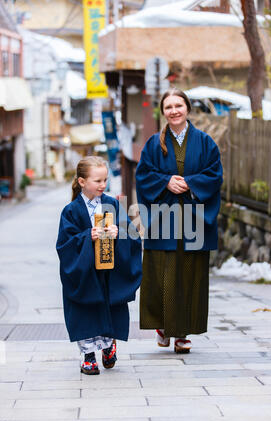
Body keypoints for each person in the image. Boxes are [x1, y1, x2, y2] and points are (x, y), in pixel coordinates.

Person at [135, 88, 223, 354]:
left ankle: (182, 333)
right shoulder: (153, 144)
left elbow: (215, 175)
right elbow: (143, 176)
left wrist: (190, 183)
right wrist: (166, 181)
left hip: (194, 217)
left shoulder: (205, 142)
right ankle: (163, 326)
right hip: (164, 217)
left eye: (178, 105)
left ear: (187, 108)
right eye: (168, 107)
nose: (174, 111)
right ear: (163, 112)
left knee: (189, 273)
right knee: (162, 273)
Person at [56, 156, 142, 375]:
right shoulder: (71, 211)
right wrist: (87, 236)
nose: (103, 185)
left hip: (109, 272)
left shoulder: (112, 204)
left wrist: (119, 234)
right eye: (97, 181)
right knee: (85, 311)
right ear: (82, 182)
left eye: (105, 180)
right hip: (85, 272)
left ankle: (108, 346)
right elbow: (65, 244)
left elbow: (132, 235)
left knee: (110, 309)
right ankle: (88, 356)